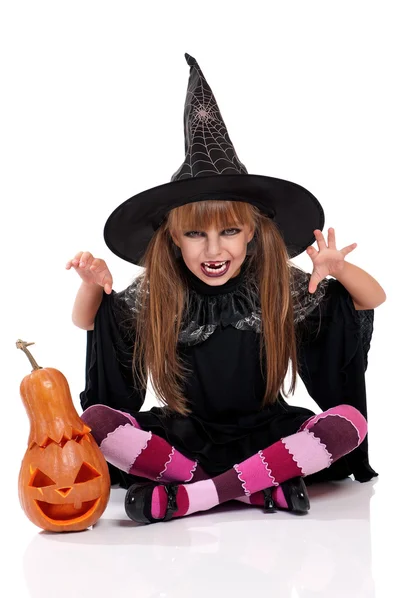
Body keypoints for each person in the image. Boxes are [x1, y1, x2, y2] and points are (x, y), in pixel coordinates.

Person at [66, 53, 385, 524]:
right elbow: (89, 322)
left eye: (229, 232)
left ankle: (193, 494)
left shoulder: (275, 286)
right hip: (183, 435)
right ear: (173, 238)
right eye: (195, 234)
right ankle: (258, 488)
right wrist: (94, 286)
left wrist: (339, 270)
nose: (213, 249)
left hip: (266, 431)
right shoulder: (162, 290)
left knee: (347, 425)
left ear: (253, 232)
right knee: (95, 423)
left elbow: (369, 300)